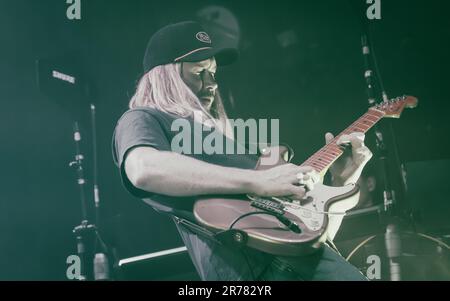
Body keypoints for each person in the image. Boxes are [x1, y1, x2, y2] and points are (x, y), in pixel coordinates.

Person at [112, 21, 372, 280]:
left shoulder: (239, 152)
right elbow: (143, 168)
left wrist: (340, 182)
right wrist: (261, 181)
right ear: (165, 77)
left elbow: (309, 240)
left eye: (212, 74)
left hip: (304, 265)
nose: (211, 84)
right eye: (198, 72)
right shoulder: (141, 118)